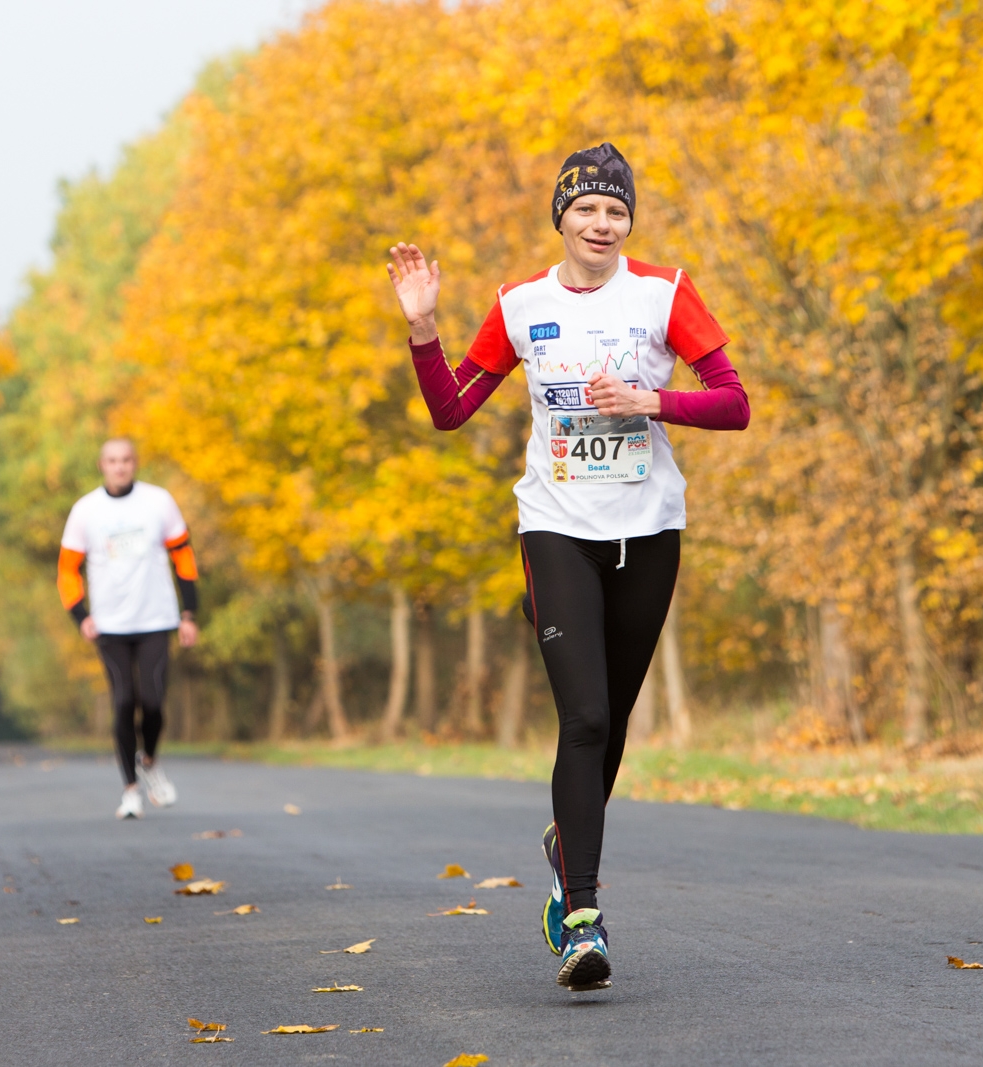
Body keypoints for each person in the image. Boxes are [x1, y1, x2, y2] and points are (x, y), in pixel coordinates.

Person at [387, 143, 750, 991]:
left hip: (649, 528)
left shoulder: (663, 293)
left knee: (613, 720)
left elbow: (733, 401)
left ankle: (564, 839)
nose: (601, 223)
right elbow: (451, 410)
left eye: (616, 211)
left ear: (629, 223)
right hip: (555, 527)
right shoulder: (520, 304)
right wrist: (422, 328)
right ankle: (580, 913)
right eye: (586, 209)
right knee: (583, 716)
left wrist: (652, 399)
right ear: (562, 216)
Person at [57, 438, 200, 819]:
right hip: (110, 623)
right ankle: (130, 790)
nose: (119, 467)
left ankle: (149, 761)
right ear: (102, 465)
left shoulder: (159, 501)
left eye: (125, 460)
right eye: (112, 461)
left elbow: (183, 555)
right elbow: (67, 569)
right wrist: (80, 615)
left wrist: (190, 614)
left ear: (135, 463)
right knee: (123, 702)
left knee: (152, 702)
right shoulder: (86, 510)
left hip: (156, 618)